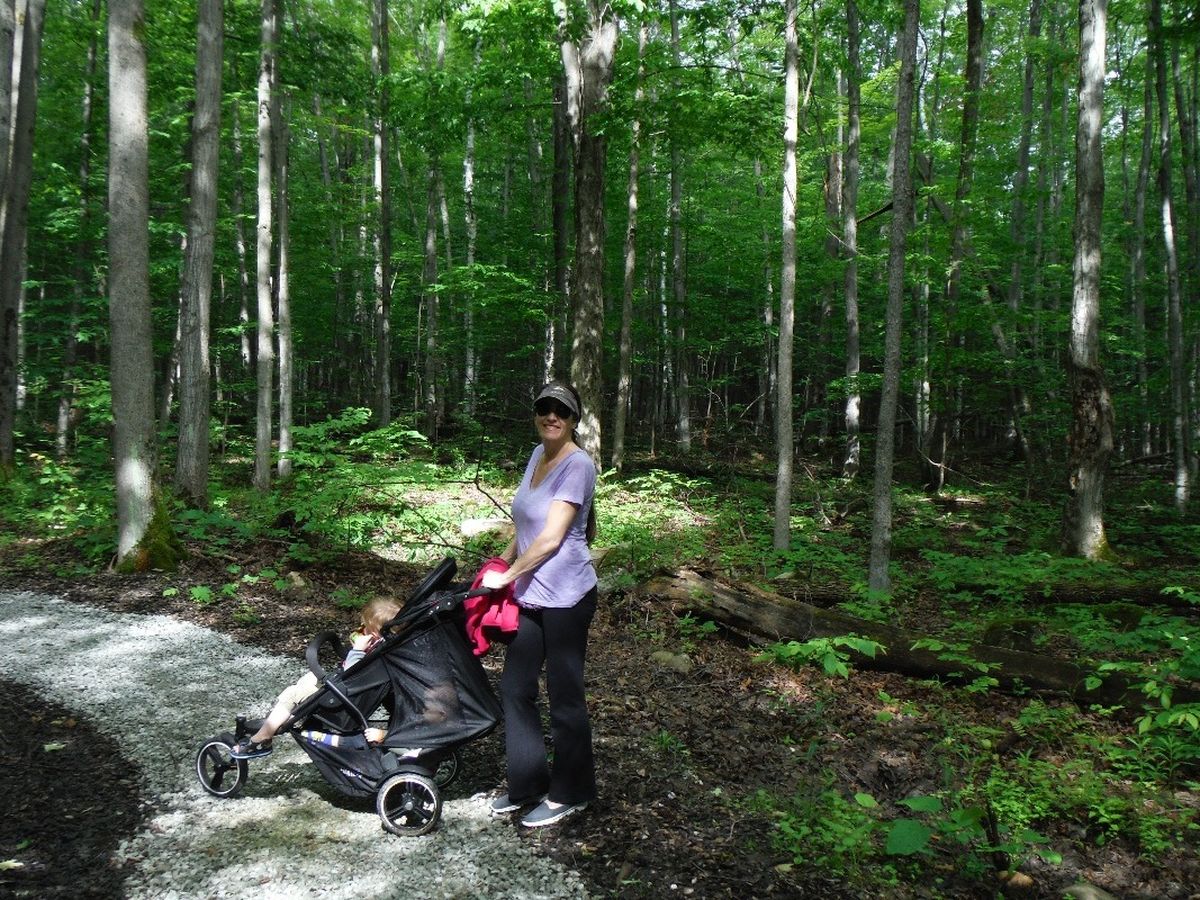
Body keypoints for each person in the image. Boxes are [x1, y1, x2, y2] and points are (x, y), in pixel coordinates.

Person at [481, 380, 598, 828]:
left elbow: (551, 538)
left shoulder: (578, 465)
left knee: (565, 696)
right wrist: (500, 564)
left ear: (573, 420)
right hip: (531, 594)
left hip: (568, 596)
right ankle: (528, 783)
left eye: (561, 411)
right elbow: (526, 526)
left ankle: (571, 792)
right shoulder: (536, 455)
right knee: (515, 688)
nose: (552, 416)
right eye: (545, 408)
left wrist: (507, 577)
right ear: (536, 414)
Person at [230, 596, 402, 759]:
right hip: (353, 693)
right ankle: (286, 716)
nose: (362, 630)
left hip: (345, 697)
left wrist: (357, 650)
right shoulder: (389, 650)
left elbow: (352, 674)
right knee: (309, 679)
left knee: (292, 693)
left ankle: (264, 735)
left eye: (366, 628)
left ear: (376, 634)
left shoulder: (373, 652)